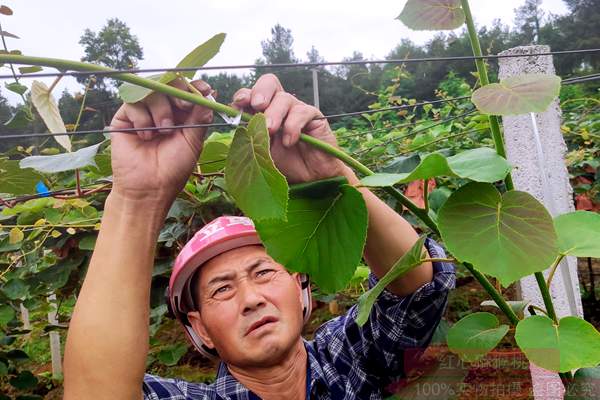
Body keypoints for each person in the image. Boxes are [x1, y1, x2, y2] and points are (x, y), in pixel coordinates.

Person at [63, 74, 455, 400]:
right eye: (221, 290)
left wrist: (337, 181)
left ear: (300, 285)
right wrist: (137, 200)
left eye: (263, 273)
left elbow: (416, 286)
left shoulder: (349, 361)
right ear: (200, 329)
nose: (251, 299)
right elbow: (95, 392)